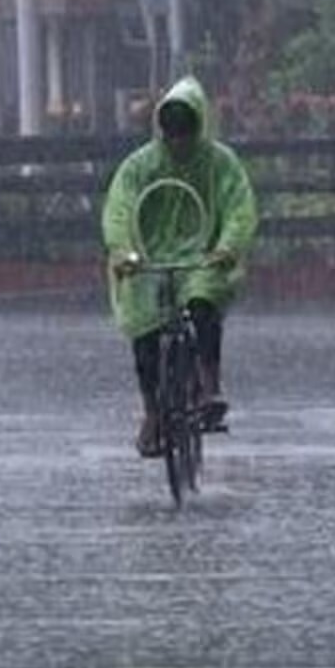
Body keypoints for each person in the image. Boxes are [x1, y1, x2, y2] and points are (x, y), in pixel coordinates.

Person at [102, 76, 257, 458]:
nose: (178, 142)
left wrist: (226, 248)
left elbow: (239, 208)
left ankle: (209, 385)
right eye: (171, 134)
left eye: (185, 133)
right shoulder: (140, 166)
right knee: (144, 336)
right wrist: (123, 251)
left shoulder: (220, 163)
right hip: (147, 259)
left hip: (203, 256)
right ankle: (153, 412)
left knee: (203, 303)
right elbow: (119, 209)